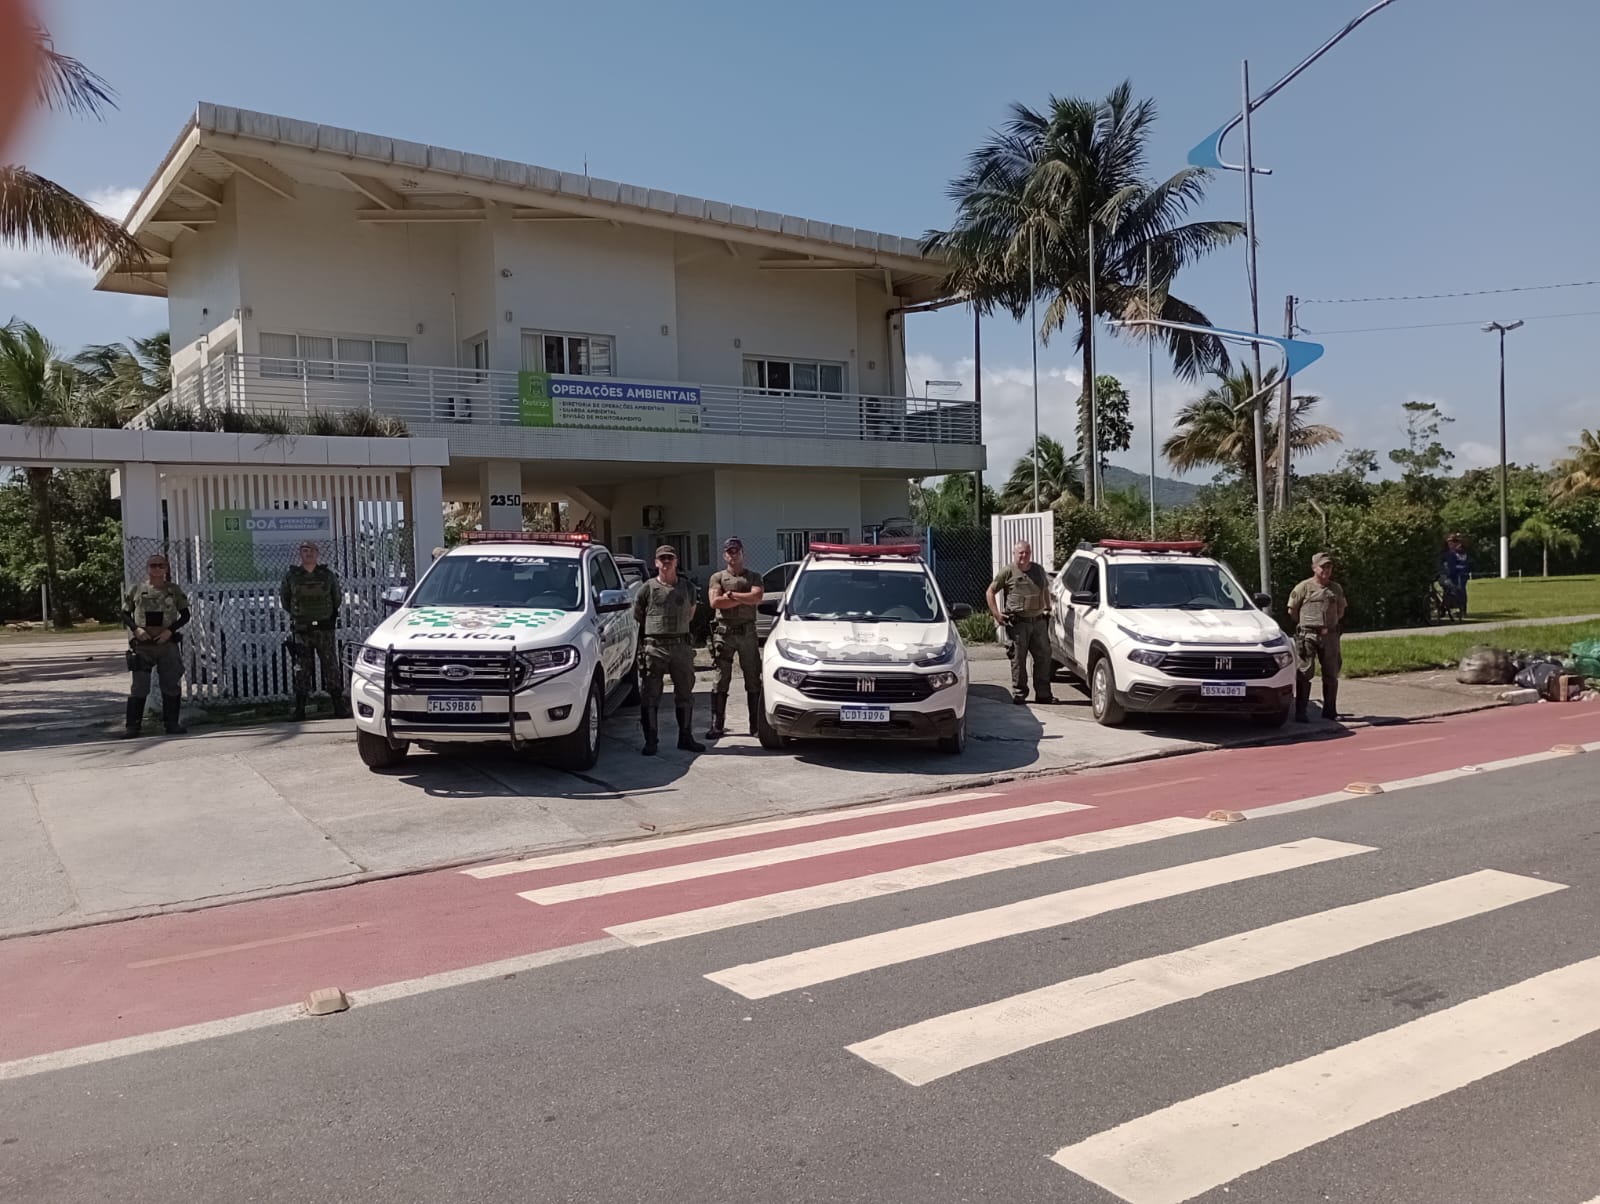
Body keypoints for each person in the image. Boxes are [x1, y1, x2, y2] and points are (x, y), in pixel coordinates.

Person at [632, 545, 704, 756]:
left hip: (681, 647)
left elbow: (690, 613)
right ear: (655, 563)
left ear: (676, 561)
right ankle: (651, 740)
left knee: (685, 693)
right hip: (655, 647)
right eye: (662, 559)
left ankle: (685, 737)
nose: (666, 562)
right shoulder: (647, 588)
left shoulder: (687, 587)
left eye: (669, 558)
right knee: (650, 694)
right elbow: (639, 614)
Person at [121, 553, 191, 738]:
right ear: (147, 568)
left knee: (170, 684)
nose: (157, 569)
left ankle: (172, 724)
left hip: (166, 644)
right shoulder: (136, 589)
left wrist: (170, 631)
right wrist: (136, 630)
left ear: (166, 569)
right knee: (139, 687)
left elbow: (185, 615)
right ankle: (133, 727)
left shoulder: (173, 590)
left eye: (161, 566)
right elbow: (125, 613)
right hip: (143, 645)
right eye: (153, 565)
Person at [705, 536, 764, 739]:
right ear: (725, 555)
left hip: (747, 633)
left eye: (736, 551)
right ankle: (717, 725)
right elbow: (715, 602)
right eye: (729, 551)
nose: (733, 554)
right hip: (724, 633)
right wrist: (742, 599)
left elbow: (756, 597)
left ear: (742, 553)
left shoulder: (754, 576)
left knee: (753, 679)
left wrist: (731, 596)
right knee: (721, 678)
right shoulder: (717, 578)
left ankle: (755, 726)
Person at [280, 541, 346, 721]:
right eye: (303, 551)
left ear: (317, 553)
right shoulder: (292, 576)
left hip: (324, 629)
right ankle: (300, 708)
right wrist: (299, 616)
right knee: (302, 669)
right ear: (300, 554)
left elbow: (337, 598)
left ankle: (338, 705)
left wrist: (326, 616)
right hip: (302, 630)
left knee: (331, 666)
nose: (307, 554)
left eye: (310, 551)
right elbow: (285, 599)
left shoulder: (327, 575)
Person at [986, 540, 1054, 705]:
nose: (1024, 556)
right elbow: (990, 591)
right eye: (1020, 553)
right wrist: (996, 614)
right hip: (1018, 624)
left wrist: (1048, 609)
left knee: (1043, 659)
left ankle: (1044, 694)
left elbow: (1045, 589)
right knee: (1018, 659)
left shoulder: (1038, 570)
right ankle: (1019, 693)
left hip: (1038, 623)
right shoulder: (1008, 572)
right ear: (1014, 554)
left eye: (1027, 552)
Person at [1287, 551, 1348, 723]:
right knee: (1304, 673)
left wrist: (1331, 624)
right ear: (1314, 568)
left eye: (1329, 567)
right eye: (1323, 567)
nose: (1326, 570)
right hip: (1308, 636)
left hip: (1330, 636)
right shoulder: (1303, 587)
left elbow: (1341, 609)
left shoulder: (1336, 588)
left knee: (1331, 673)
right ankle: (1301, 712)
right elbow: (1292, 610)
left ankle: (1330, 710)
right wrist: (1306, 624)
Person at [1440, 533, 1470, 614]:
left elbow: (1463, 563)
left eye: (1451, 543)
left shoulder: (1460, 552)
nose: (1450, 545)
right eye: (1449, 543)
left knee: (1461, 589)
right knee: (1447, 590)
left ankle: (1462, 609)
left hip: (1461, 574)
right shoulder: (1449, 553)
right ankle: (1445, 607)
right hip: (1452, 574)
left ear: (1456, 543)